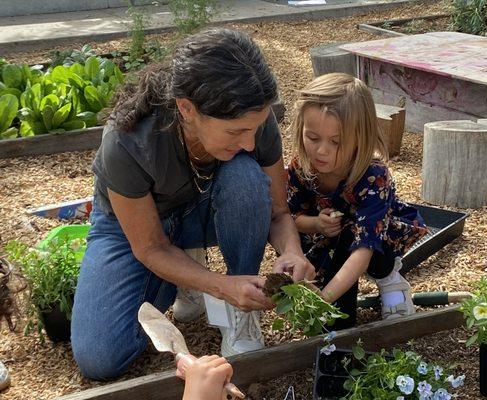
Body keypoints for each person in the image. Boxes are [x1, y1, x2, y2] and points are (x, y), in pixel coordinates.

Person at [71, 28, 315, 381]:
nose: (250, 142)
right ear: (187, 109)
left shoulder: (253, 121)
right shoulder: (127, 141)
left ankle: (239, 313)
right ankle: (192, 275)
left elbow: (278, 211)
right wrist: (216, 285)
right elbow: (150, 245)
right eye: (235, 132)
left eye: (255, 129)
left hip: (206, 204)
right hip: (137, 229)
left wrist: (292, 251)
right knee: (100, 357)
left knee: (246, 177)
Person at [287, 73, 428, 330]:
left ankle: (390, 279)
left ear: (359, 138)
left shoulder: (374, 176)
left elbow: (363, 249)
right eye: (313, 137)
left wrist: (324, 299)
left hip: (373, 236)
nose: (321, 150)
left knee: (372, 248)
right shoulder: (300, 166)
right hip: (329, 237)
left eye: (336, 142)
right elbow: (290, 218)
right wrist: (316, 224)